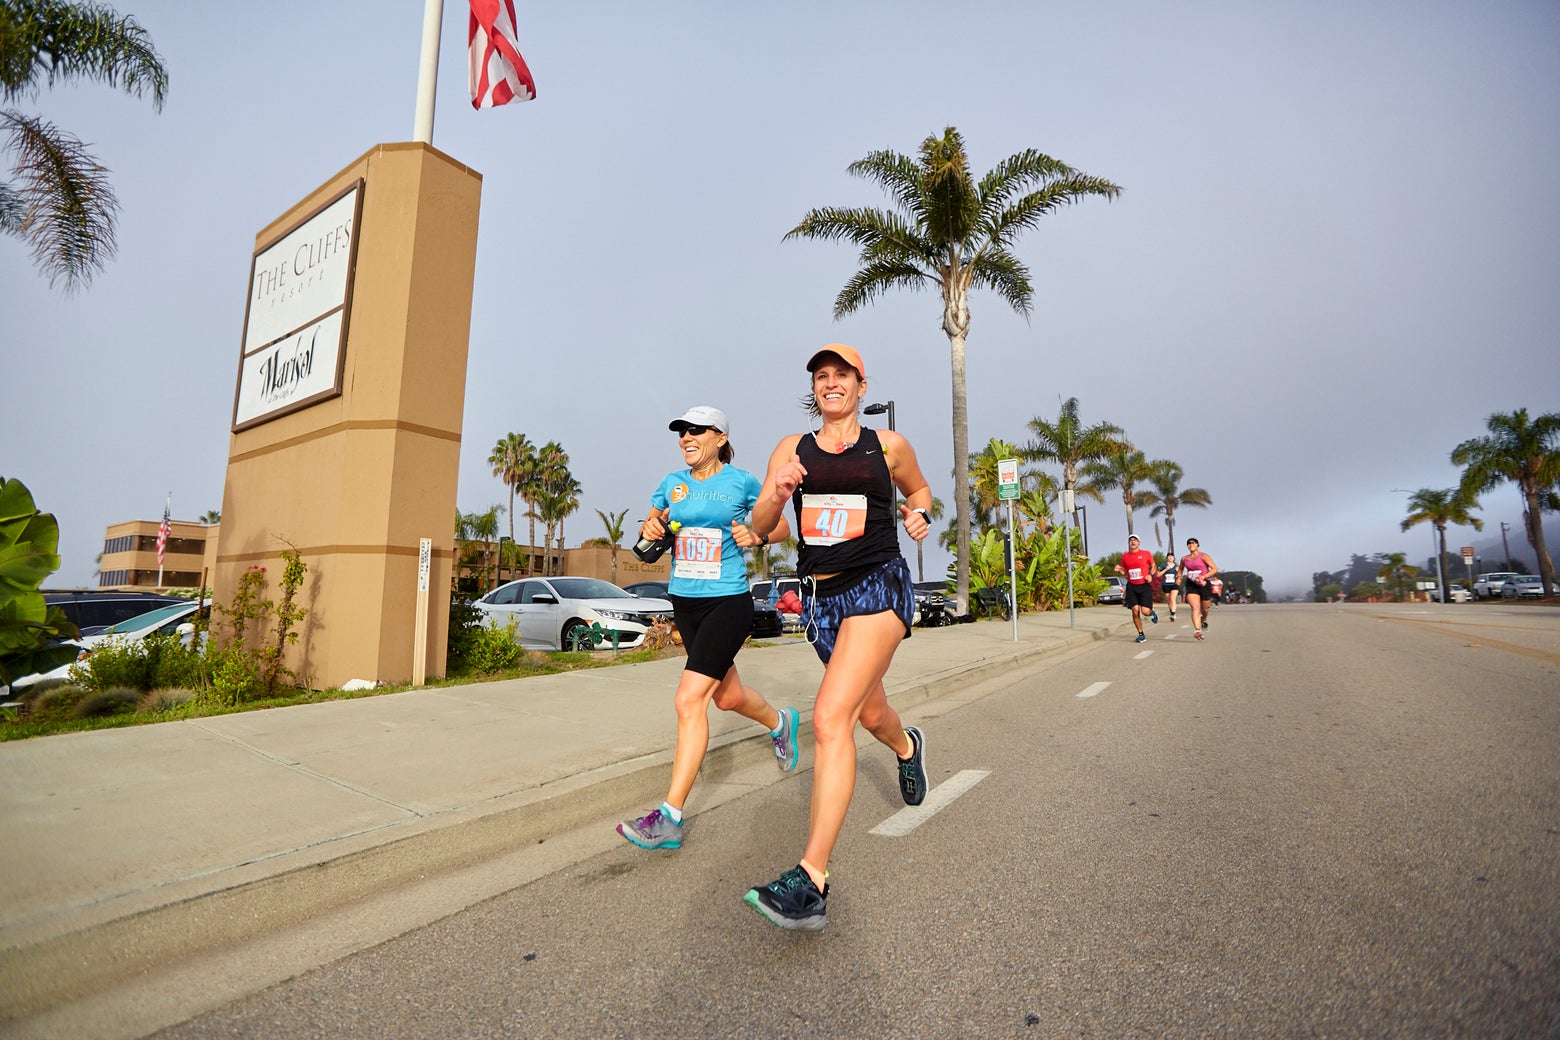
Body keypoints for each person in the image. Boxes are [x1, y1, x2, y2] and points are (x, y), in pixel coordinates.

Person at [743, 344, 934, 931]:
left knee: (829, 718)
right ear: (815, 390)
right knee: (870, 713)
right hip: (824, 603)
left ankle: (812, 878)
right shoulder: (790, 450)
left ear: (859, 384)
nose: (831, 384)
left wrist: (918, 515)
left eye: (841, 376)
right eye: (821, 377)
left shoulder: (888, 447)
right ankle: (906, 747)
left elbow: (920, 492)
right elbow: (761, 528)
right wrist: (777, 492)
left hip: (878, 586)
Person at [616, 406, 799, 852]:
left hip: (728, 601)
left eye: (696, 430)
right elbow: (650, 527)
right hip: (685, 601)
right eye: (681, 432)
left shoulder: (741, 482)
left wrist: (755, 537)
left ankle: (670, 817)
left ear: (719, 436)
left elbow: (781, 527)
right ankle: (780, 722)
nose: (686, 437)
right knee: (726, 696)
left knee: (688, 699)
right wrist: (653, 524)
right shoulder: (670, 484)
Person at [1114, 533, 1158, 642]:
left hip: (1144, 585)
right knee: (1134, 610)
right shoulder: (1125, 556)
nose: (1133, 542)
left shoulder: (1146, 554)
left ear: (1139, 543)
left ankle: (1151, 613)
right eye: (1131, 540)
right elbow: (1125, 571)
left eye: (1135, 540)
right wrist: (1119, 569)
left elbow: (1153, 566)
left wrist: (1150, 575)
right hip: (1132, 586)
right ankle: (1141, 634)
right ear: (1129, 543)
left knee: (1145, 612)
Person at [1180, 537, 1219, 641]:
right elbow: (1180, 569)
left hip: (1204, 584)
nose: (1191, 545)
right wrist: (1179, 578)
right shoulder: (1184, 559)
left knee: (1205, 610)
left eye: (1193, 543)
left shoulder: (1204, 556)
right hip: (1191, 585)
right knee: (1195, 608)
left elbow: (1215, 569)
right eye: (1189, 543)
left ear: (1197, 545)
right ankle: (1197, 630)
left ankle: (1203, 620)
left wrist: (1203, 576)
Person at [1157, 549, 1180, 622]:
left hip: (1174, 584)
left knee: (1173, 598)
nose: (1170, 558)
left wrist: (1178, 572)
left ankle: (1173, 614)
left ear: (1174, 558)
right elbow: (1158, 574)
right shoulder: (1163, 565)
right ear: (1167, 558)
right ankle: (1171, 611)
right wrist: (1166, 569)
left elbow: (1180, 575)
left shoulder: (1176, 566)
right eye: (1169, 556)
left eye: (1172, 556)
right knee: (1168, 599)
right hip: (1166, 584)